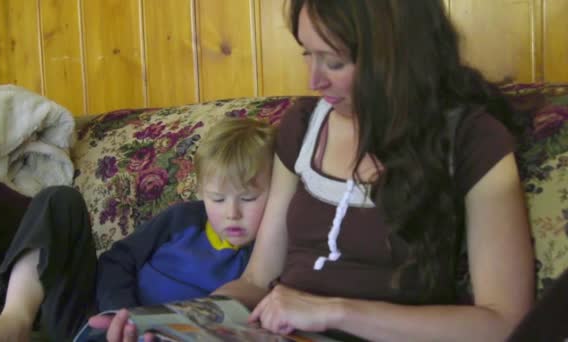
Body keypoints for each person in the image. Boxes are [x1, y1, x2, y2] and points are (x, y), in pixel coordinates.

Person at [212, 1, 534, 341]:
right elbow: (257, 280)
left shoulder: (472, 140)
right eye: (307, 53)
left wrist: (333, 311)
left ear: (394, 55)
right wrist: (192, 317)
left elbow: (505, 323)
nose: (314, 80)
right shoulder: (303, 126)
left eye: (334, 61)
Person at [88, 118, 276, 341]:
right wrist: (123, 313)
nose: (232, 214)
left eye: (248, 198)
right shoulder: (182, 219)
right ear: (200, 192)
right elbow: (117, 260)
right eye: (217, 199)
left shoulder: (268, 257)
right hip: (116, 321)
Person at [0, 162, 97, 342]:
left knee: (58, 200)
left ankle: (15, 320)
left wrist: (14, 317)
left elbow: (50, 211)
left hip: (43, 310)